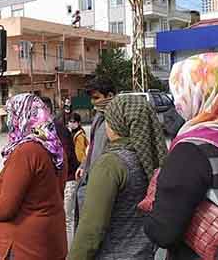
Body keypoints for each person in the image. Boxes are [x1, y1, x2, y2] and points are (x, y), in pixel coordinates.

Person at [143, 52, 218, 260]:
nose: (178, 101)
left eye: (181, 91)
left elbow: (163, 232)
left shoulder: (191, 150)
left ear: (200, 92)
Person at [69, 95, 167, 260]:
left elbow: (91, 229)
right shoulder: (152, 157)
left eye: (108, 119)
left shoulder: (111, 164)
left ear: (118, 123)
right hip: (146, 253)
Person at [0, 93, 67, 260]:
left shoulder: (26, 151)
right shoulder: (55, 147)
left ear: (20, 115)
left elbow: (5, 209)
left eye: (11, 114)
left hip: (25, 245)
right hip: (51, 239)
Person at [74, 77, 116, 219]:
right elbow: (92, 146)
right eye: (92, 98)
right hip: (91, 175)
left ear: (110, 96)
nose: (93, 102)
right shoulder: (99, 116)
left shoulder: (119, 118)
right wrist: (84, 165)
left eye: (96, 97)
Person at [63, 112, 87, 247]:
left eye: (73, 121)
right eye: (69, 121)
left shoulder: (78, 137)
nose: (71, 124)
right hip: (76, 175)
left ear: (78, 123)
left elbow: (79, 156)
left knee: (69, 218)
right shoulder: (74, 134)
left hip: (75, 175)